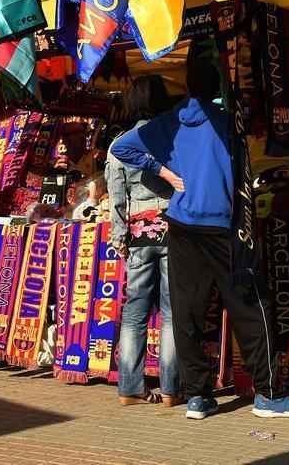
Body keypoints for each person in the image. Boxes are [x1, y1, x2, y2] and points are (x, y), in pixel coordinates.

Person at [110, 56, 289, 420]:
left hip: (182, 225)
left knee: (187, 311)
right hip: (223, 226)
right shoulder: (226, 123)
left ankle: (197, 397)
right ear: (218, 86)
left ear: (188, 86)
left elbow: (121, 148)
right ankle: (267, 394)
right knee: (251, 306)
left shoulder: (170, 122)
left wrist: (164, 173)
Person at [106, 75, 181, 406]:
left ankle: (130, 387)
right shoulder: (172, 139)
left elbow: (116, 198)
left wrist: (119, 237)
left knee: (135, 311)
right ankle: (170, 389)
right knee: (172, 311)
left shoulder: (120, 145)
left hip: (138, 233)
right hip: (174, 227)